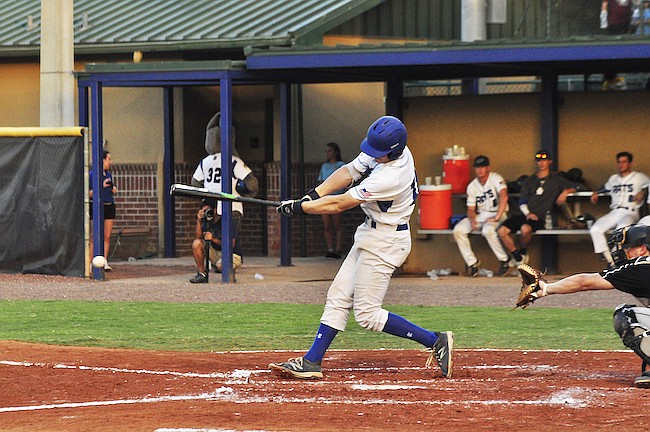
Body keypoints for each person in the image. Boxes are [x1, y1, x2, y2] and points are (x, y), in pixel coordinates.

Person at [268, 115, 454, 380]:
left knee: (367, 314)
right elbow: (347, 172)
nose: (372, 155)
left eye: (378, 153)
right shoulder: (389, 151)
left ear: (393, 151)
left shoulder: (391, 175)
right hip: (371, 233)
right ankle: (311, 362)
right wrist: (312, 196)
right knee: (338, 295)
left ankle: (435, 340)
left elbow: (340, 204)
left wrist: (300, 208)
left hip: (386, 242)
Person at [521, 223, 650, 388]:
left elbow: (584, 282)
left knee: (627, 315)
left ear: (642, 249)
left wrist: (545, 289)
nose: (623, 251)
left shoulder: (641, 265)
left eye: (627, 247)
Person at [189, 112, 259, 283]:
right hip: (232, 205)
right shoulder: (233, 160)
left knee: (229, 241)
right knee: (204, 239)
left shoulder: (205, 161)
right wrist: (242, 192)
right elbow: (252, 184)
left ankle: (226, 268)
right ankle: (208, 271)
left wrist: (205, 194)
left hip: (216, 202)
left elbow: (195, 184)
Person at [497, 150, 576, 266]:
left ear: (550, 162)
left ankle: (523, 251)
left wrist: (565, 192)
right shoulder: (530, 180)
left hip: (541, 216)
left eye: (544, 160)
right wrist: (528, 214)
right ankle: (518, 257)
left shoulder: (556, 180)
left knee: (525, 229)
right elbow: (522, 201)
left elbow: (574, 187)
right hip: (525, 214)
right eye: (539, 161)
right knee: (502, 231)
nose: (541, 163)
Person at [589, 152, 649, 269]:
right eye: (619, 162)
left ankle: (616, 260)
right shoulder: (613, 179)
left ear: (630, 163)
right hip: (615, 212)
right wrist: (596, 192)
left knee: (620, 232)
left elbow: (648, 185)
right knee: (595, 229)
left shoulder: (639, 177)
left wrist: (643, 192)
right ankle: (611, 260)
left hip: (630, 211)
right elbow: (604, 187)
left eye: (624, 162)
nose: (621, 164)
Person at [452, 155, 510, 277]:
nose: (480, 170)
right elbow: (471, 209)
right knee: (458, 230)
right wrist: (473, 220)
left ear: (487, 168)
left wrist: (497, 217)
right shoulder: (472, 186)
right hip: (482, 215)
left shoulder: (495, 178)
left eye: (482, 167)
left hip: (499, 213)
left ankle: (504, 260)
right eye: (477, 167)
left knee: (488, 230)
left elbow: (504, 197)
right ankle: (472, 263)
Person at [89, 150, 117, 272]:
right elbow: (89, 193)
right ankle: (90, 262)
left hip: (109, 205)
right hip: (97, 206)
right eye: (108, 159)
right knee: (93, 236)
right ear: (102, 160)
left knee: (107, 235)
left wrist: (112, 189)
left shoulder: (109, 175)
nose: (110, 162)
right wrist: (101, 186)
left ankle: (104, 261)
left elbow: (111, 188)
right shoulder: (92, 175)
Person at [318, 142, 346, 259]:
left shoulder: (341, 165)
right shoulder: (324, 167)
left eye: (329, 151)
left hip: (336, 197)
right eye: (326, 151)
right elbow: (321, 181)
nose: (327, 153)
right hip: (325, 198)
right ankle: (330, 249)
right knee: (327, 225)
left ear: (335, 152)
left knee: (337, 224)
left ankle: (338, 250)